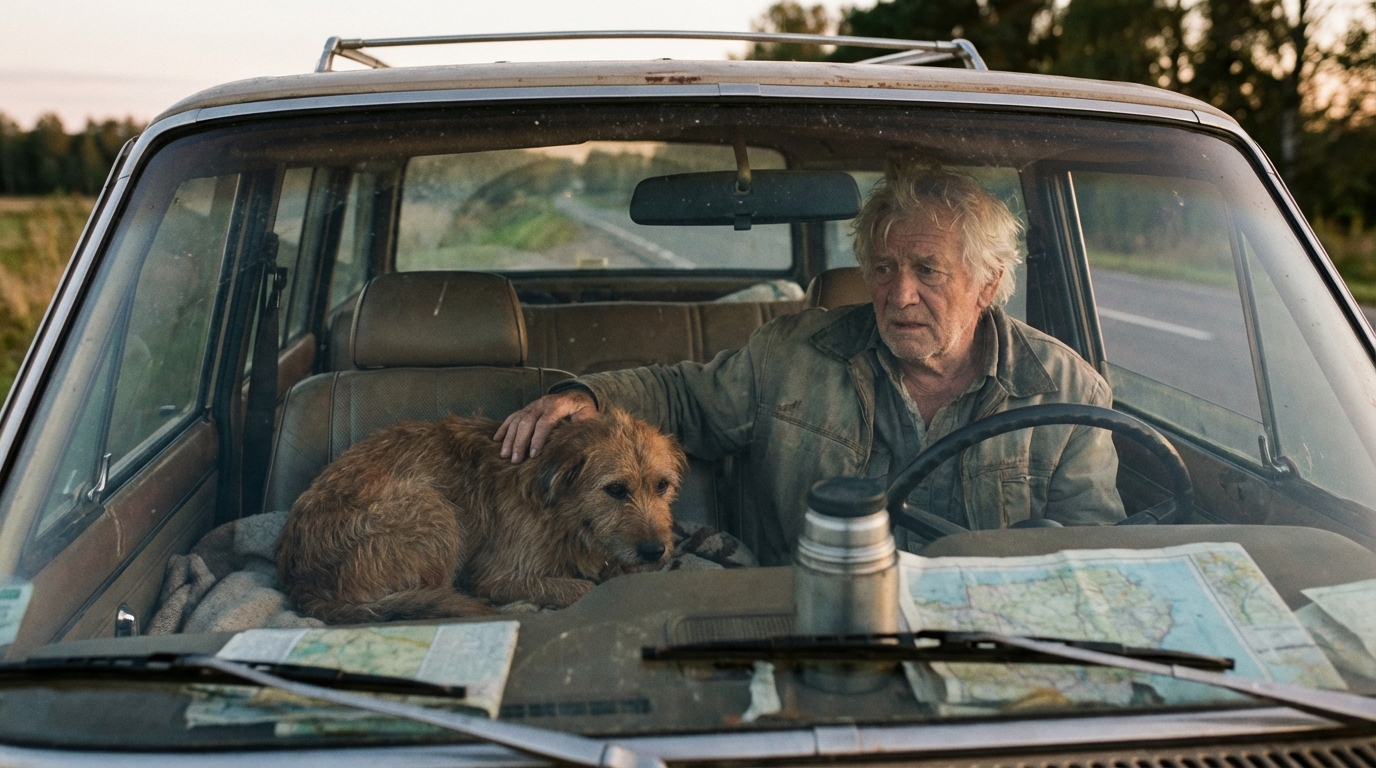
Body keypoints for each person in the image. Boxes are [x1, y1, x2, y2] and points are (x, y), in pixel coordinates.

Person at [496, 166, 1124, 563]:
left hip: (986, 634)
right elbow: (682, 397)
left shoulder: (1068, 394)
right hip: (807, 620)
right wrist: (585, 398)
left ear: (988, 282)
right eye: (883, 269)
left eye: (928, 271)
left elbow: (1096, 556)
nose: (899, 294)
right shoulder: (792, 356)